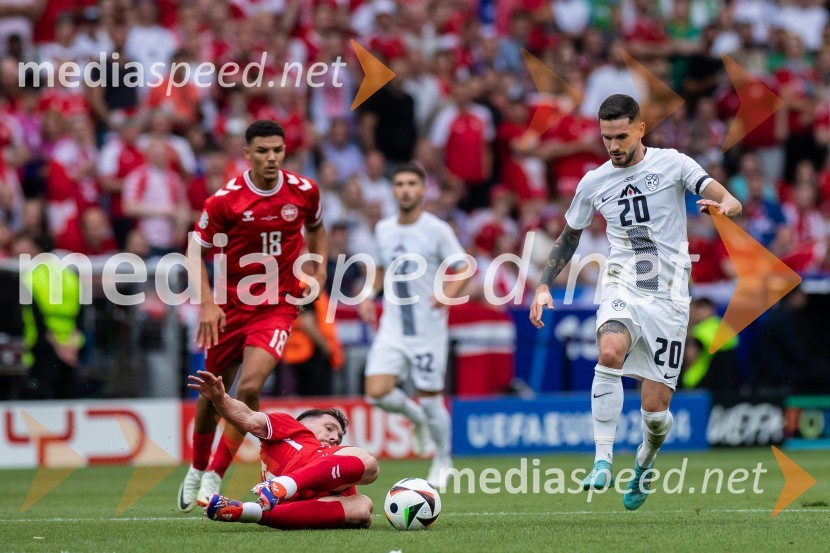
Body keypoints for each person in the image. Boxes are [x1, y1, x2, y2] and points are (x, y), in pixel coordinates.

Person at [529, 94, 742, 510]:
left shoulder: (673, 163)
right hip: (623, 281)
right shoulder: (593, 182)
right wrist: (542, 285)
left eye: (621, 135)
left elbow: (715, 190)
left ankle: (645, 463)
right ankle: (602, 459)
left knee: (655, 412)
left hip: (670, 297)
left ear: (640, 129)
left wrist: (729, 203)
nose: (613, 145)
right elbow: (570, 236)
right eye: (606, 137)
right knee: (608, 351)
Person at [177, 120, 328, 511]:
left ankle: (215, 473)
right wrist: (208, 304)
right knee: (214, 390)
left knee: (248, 387)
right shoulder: (225, 201)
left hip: (278, 303)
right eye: (262, 151)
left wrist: (320, 267)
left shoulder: (304, 190)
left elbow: (317, 229)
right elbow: (194, 252)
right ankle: (195, 467)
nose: (271, 158)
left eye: (277, 149)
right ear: (247, 154)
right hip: (229, 306)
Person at [358, 163, 471, 488]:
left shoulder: (436, 229)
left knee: (432, 397)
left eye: (412, 184)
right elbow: (379, 269)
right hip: (393, 327)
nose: (405, 189)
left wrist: (447, 295)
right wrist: (367, 296)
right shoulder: (383, 228)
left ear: (423, 190)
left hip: (428, 329)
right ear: (393, 190)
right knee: (376, 392)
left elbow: (464, 268)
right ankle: (416, 417)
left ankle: (442, 459)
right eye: (400, 184)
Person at [187, 370, 375, 529]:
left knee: (362, 508)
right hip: (286, 491)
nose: (335, 437)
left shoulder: (335, 464)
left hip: (289, 500)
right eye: (329, 428)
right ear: (303, 423)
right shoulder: (291, 427)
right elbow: (247, 417)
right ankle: (283, 486)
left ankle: (248, 511)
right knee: (369, 463)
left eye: (339, 437)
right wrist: (221, 399)